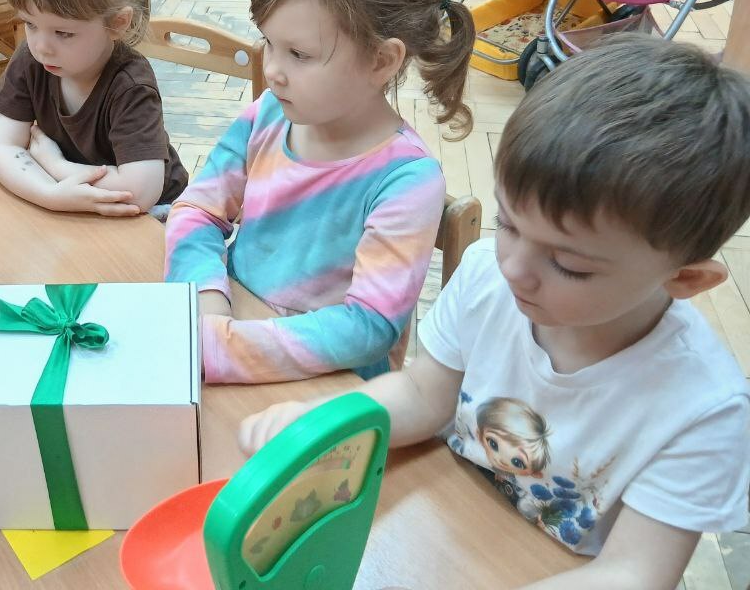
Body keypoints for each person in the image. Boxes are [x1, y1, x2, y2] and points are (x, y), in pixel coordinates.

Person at [240, 36, 750, 587]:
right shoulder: (488, 275)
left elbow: (636, 572)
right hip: (436, 526)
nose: (514, 268)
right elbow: (422, 396)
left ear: (685, 279)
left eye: (569, 265)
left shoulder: (705, 409)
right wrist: (326, 424)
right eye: (508, 223)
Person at [167, 0, 474, 383]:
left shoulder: (407, 181)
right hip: (230, 339)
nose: (272, 70)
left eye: (299, 54)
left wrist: (223, 346)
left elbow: (368, 327)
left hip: (330, 390)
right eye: (269, 43)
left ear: (381, 60)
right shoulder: (267, 116)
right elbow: (197, 211)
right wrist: (207, 304)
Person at [0, 0, 187, 218]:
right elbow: (2, 147)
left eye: (63, 33)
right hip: (78, 206)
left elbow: (139, 193)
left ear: (117, 24)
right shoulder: (32, 59)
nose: (42, 46)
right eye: (30, 24)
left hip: (156, 216)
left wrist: (56, 167)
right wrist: (51, 195)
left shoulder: (130, 85)